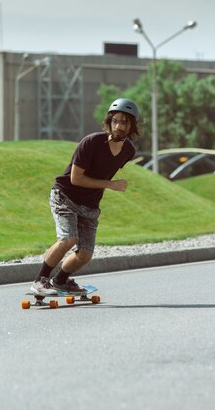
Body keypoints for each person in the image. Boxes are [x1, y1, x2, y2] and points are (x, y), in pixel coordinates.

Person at [30, 98, 141, 295]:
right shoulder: (91, 142)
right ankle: (40, 280)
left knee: (85, 254)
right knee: (69, 238)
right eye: (115, 121)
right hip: (65, 195)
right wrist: (110, 185)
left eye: (124, 122)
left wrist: (105, 186)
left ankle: (60, 281)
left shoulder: (128, 151)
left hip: (90, 204)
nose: (118, 126)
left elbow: (104, 170)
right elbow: (76, 178)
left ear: (132, 125)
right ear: (109, 122)